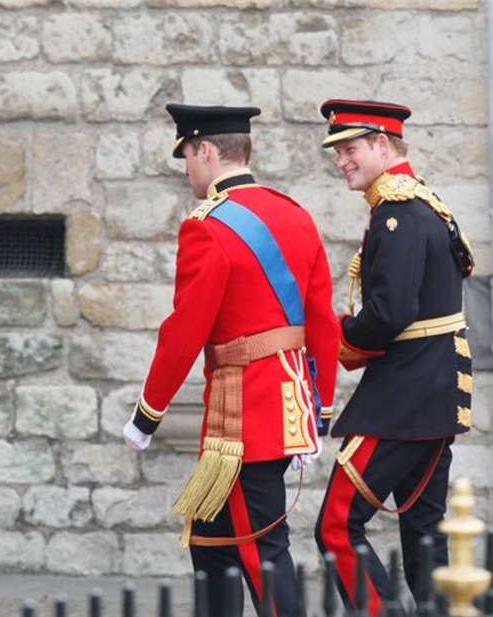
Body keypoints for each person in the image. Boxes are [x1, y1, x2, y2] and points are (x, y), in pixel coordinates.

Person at [123, 103, 340, 617]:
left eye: (187, 157)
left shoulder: (206, 227)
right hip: (283, 405)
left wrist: (147, 413)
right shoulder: (295, 214)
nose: (186, 170)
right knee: (210, 544)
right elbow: (323, 324)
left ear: (206, 151)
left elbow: (183, 333)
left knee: (263, 550)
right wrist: (318, 410)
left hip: (240, 417)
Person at [314, 99, 475, 617]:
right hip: (435, 393)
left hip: (403, 396)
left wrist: (339, 338)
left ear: (383, 145)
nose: (342, 159)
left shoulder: (398, 214)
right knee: (424, 529)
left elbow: (390, 312)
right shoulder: (424, 202)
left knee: (337, 523)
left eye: (351, 148)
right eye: (337, 150)